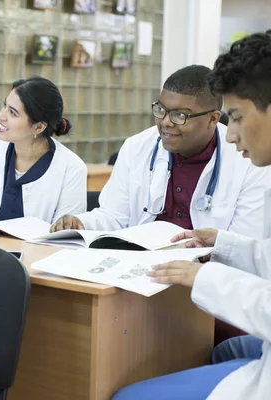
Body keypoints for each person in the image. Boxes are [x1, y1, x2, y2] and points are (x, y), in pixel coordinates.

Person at [112, 31, 271, 400]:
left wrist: (204, 276)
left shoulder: (254, 170)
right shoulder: (139, 147)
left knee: (127, 397)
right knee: (215, 353)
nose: (230, 136)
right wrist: (226, 244)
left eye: (236, 118)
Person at [51, 65, 270, 238]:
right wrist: (82, 223)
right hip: (140, 266)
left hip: (207, 273)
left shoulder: (248, 158)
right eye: (161, 110)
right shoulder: (137, 147)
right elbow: (113, 216)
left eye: (179, 115)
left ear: (212, 118)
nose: (165, 122)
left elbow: (245, 242)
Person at [0, 76, 87, 224]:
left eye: (13, 113)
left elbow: (63, 234)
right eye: (4, 105)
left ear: (38, 127)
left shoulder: (72, 168)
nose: (0, 116)